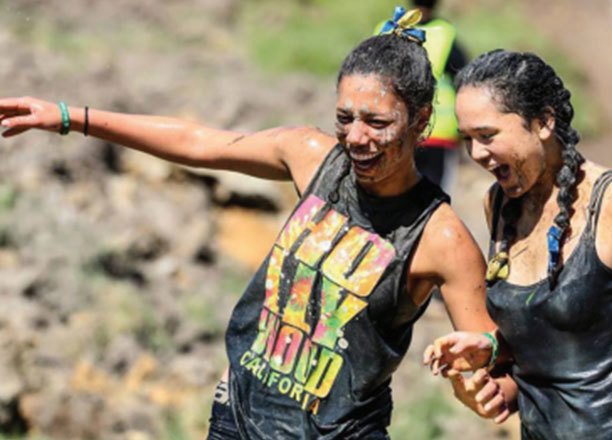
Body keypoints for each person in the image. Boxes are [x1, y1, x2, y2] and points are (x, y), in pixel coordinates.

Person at [0, 9, 516, 440]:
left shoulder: (441, 238)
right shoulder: (312, 157)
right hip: (237, 420)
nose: (356, 137)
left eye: (377, 123)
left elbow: (492, 366)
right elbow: (199, 143)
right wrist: (68, 116)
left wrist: (477, 388)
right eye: (345, 117)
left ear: (422, 120)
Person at [424, 49, 612, 439]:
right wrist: (491, 349)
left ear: (543, 123)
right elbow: (554, 337)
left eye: (487, 136)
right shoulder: (499, 204)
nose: (477, 154)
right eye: (467, 138)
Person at [410, 0, 469, 193]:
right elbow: (463, 79)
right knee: (434, 193)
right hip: (439, 129)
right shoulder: (445, 33)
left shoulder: (388, 29)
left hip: (400, 128)